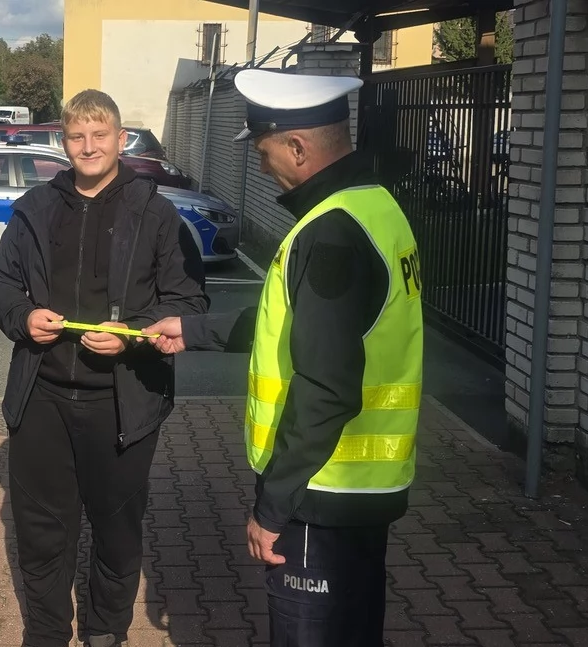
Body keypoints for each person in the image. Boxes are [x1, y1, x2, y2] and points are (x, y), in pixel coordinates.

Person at [142, 70, 425, 646]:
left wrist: (271, 507)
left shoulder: (331, 234)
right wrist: (195, 329)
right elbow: (311, 328)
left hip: (319, 492)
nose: (262, 166)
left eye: (265, 152)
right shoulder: (375, 207)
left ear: (298, 146)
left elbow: (325, 385)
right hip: (364, 489)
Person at [0, 89, 209, 647]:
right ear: (64, 142)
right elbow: (0, 281)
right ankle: (47, 632)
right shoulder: (37, 207)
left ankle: (106, 632)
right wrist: (22, 315)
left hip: (123, 401)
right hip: (43, 398)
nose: (88, 146)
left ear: (118, 139)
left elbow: (188, 301)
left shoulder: (157, 212)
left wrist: (132, 340)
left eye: (99, 135)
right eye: (77, 136)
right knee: (41, 533)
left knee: (115, 530)